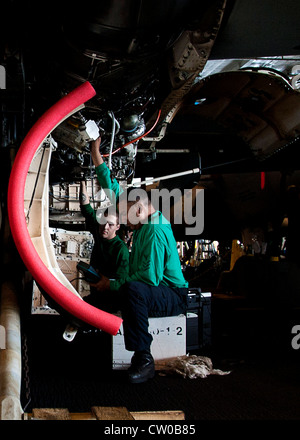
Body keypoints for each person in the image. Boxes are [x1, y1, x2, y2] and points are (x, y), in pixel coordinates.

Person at [89, 137, 188, 384]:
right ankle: (84, 323)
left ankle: (144, 359)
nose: (123, 223)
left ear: (139, 209)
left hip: (170, 295)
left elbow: (148, 279)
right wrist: (95, 152)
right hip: (152, 288)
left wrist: (111, 284)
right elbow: (112, 188)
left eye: (125, 217)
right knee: (107, 292)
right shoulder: (137, 211)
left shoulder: (154, 232)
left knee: (132, 290)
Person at [80, 180, 129, 313]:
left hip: (110, 303)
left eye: (110, 225)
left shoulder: (121, 250)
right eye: (103, 222)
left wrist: (106, 283)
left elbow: (122, 282)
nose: (105, 227)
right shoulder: (99, 231)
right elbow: (86, 207)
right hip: (96, 295)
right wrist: (83, 183)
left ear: (118, 227)